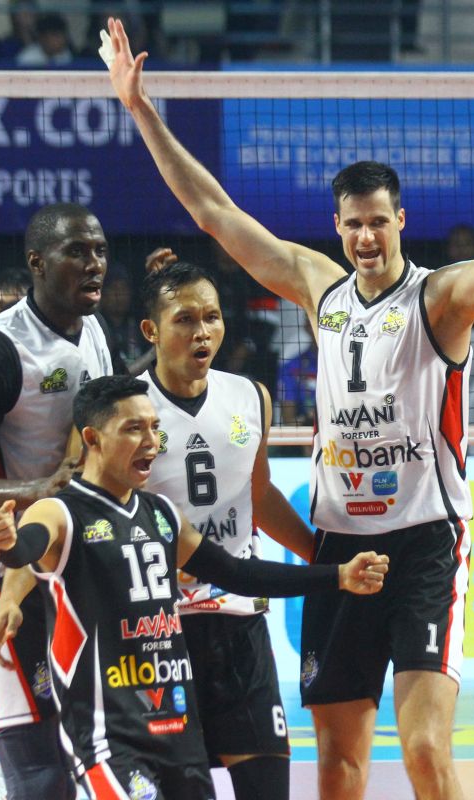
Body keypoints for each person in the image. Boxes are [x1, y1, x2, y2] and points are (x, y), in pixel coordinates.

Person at [105, 17, 474, 798]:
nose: (367, 236)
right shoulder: (321, 290)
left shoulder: (440, 299)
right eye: (354, 224)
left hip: (425, 544)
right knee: (339, 763)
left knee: (424, 750)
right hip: (339, 546)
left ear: (400, 220)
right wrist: (141, 110)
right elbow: (215, 214)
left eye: (379, 221)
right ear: (337, 228)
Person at [0, 374, 388, 800]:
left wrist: (337, 575)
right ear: (92, 438)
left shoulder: (161, 513)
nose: (151, 442)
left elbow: (236, 573)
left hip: (176, 733)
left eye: (154, 427)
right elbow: (28, 547)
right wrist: (10, 544)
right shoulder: (60, 511)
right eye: (134, 429)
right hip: (109, 738)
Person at [0, 202, 116, 800]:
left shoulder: (95, 330)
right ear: (37, 263)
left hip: (62, 571)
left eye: (99, 251)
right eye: (76, 252)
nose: (94, 264)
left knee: (78, 764)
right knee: (37, 774)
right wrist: (37, 491)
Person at [135, 261, 317, 798]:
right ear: (151, 330)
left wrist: (320, 556)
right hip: (160, 632)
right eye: (184, 319)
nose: (202, 332)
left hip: (241, 628)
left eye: (211, 317)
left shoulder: (250, 396)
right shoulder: (126, 407)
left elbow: (258, 495)